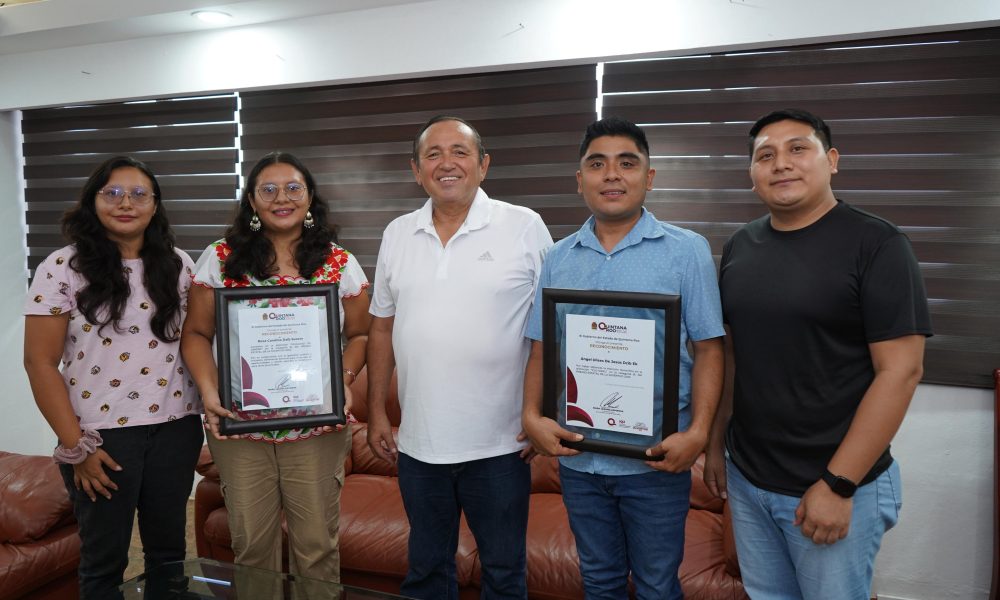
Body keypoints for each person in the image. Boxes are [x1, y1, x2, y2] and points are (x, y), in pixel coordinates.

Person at [704, 108, 932, 600]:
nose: (781, 163)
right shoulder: (741, 245)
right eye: (766, 155)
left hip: (832, 486)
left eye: (797, 149)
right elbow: (734, 355)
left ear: (831, 160)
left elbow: (901, 371)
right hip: (749, 479)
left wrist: (838, 483)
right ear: (752, 174)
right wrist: (717, 444)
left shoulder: (878, 243)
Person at [520, 116, 725, 600]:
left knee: (657, 586)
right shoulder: (559, 257)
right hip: (579, 459)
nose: (611, 174)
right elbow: (542, 347)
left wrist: (698, 433)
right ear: (580, 180)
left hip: (654, 463)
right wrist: (530, 416)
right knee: (599, 581)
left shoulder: (685, 251)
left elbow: (710, 348)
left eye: (626, 163)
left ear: (648, 177)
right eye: (597, 164)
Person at [365, 115, 553, 599]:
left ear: (483, 165)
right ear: (416, 170)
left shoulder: (524, 226)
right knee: (427, 572)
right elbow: (381, 326)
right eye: (433, 154)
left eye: (460, 152)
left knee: (504, 574)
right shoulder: (397, 233)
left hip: (501, 444)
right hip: (419, 446)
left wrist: (540, 411)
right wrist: (378, 412)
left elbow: (552, 329)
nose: (446, 163)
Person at [180, 152, 371, 582]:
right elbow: (195, 334)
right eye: (268, 189)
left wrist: (342, 380)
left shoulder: (339, 263)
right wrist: (209, 392)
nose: (281, 198)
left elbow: (360, 335)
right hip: (240, 427)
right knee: (251, 547)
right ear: (251, 200)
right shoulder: (220, 258)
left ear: (309, 198)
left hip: (316, 427)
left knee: (317, 548)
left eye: (292, 188)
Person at [23, 156, 203, 598]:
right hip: (101, 438)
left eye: (139, 194)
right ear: (93, 200)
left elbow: (199, 341)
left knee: (169, 557)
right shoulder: (62, 267)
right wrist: (76, 447)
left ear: (155, 205)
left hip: (175, 429)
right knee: (104, 562)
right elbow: (39, 362)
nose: (126, 203)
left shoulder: (178, 264)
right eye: (113, 193)